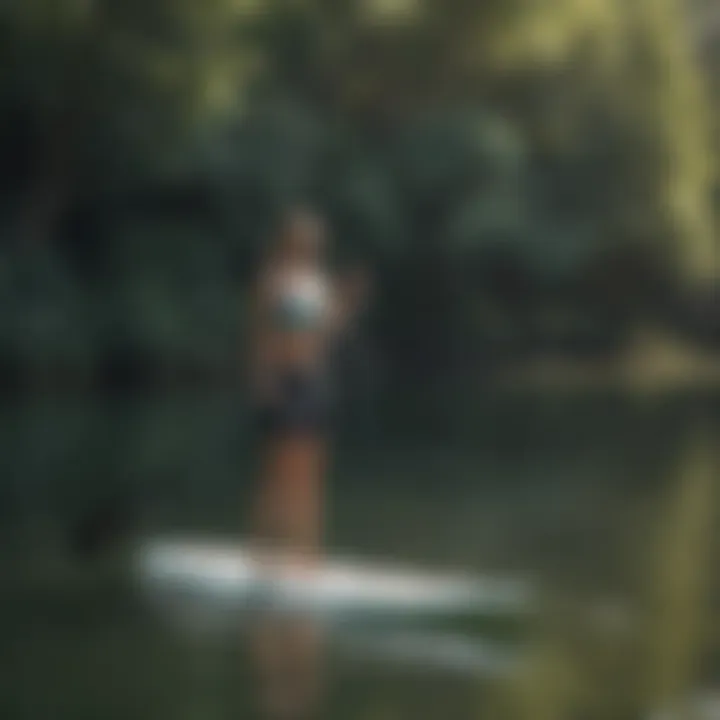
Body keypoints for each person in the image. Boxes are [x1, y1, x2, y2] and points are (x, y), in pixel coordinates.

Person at [248, 205, 369, 718]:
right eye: (305, 238)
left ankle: (307, 562)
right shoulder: (274, 279)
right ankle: (267, 560)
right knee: (282, 476)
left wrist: (349, 301)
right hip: (289, 385)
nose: (312, 246)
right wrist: (263, 382)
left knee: (312, 476)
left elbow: (326, 333)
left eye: (316, 240)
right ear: (290, 241)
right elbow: (264, 337)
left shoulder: (316, 282)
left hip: (317, 385)